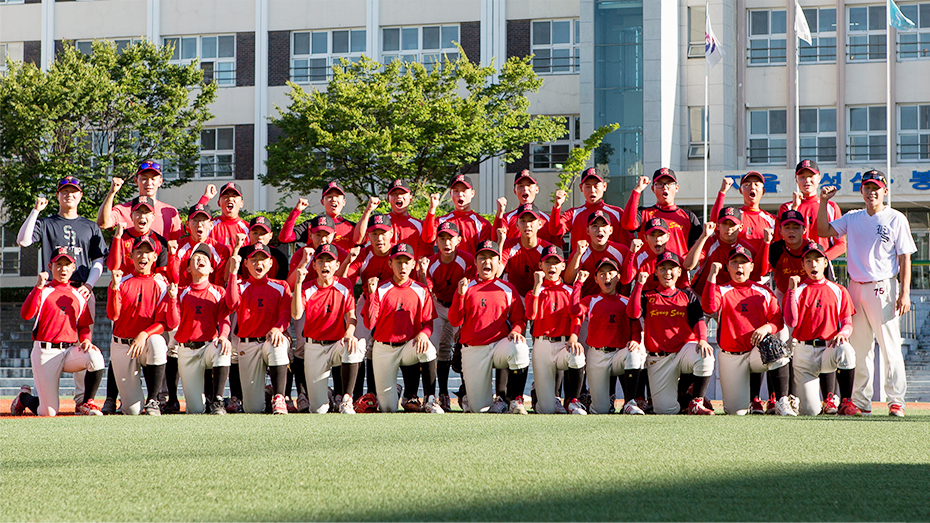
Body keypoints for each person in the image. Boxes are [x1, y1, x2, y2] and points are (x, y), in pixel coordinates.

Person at [817, 170, 915, 417]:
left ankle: (896, 401)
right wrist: (823, 202)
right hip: (855, 287)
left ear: (885, 191)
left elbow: (905, 257)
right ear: (861, 191)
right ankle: (861, 401)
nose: (872, 192)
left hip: (883, 286)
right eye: (867, 187)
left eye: (876, 187)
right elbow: (823, 231)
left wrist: (904, 292)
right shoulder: (853, 217)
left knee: (890, 347)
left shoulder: (895, 218)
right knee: (860, 349)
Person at [16, 175, 108, 406]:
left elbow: (98, 260)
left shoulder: (90, 226)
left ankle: (83, 401)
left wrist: (89, 285)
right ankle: (34, 395)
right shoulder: (48, 222)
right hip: (53, 292)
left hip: (81, 290)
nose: (69, 194)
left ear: (80, 196)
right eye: (64, 191)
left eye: (74, 191)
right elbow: (23, 240)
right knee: (48, 408)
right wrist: (36, 211)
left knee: (84, 343)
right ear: (58, 195)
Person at [11, 247, 105, 417]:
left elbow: (84, 325)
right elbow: (26, 314)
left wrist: (86, 339)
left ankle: (86, 403)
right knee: (48, 412)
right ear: (50, 266)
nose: (63, 269)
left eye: (67, 264)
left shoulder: (78, 294)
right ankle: (24, 397)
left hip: (69, 351)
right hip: (45, 351)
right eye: (58, 264)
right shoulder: (44, 290)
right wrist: (38, 287)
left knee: (95, 356)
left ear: (74, 267)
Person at [702, 245, 792, 416]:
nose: (739, 266)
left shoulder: (762, 292)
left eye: (744, 262)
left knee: (776, 349)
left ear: (751, 267)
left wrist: (767, 327)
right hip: (730, 356)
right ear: (727, 267)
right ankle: (749, 402)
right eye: (734, 262)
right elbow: (708, 306)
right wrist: (712, 276)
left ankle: (781, 401)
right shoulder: (722, 289)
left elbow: (778, 320)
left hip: (755, 353)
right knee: (736, 412)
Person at [627, 252, 715, 415]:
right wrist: (639, 285)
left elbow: (699, 320)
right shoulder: (648, 295)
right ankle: (685, 399)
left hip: (683, 352)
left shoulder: (687, 295)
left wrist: (702, 339)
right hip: (659, 359)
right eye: (663, 268)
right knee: (666, 410)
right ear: (655, 271)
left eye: (672, 268)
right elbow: (633, 314)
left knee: (705, 354)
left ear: (680, 272)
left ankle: (696, 401)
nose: (668, 272)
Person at [449, 240, 530, 414]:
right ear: (475, 262)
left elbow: (519, 320)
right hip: (473, 349)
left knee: (520, 347)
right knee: (481, 409)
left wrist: (516, 331)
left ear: (499, 262)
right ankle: (474, 398)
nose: (487, 262)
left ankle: (515, 399)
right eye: (482, 258)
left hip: (499, 346)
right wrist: (460, 296)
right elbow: (455, 321)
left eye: (492, 258)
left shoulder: (507, 289)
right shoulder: (466, 287)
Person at [784, 243, 861, 416]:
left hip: (828, 348)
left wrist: (843, 333)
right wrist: (790, 291)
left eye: (817, 260)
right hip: (804, 352)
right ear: (802, 264)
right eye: (808, 260)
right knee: (810, 411)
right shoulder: (798, 290)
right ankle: (804, 402)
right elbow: (791, 320)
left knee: (846, 350)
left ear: (825, 263)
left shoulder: (838, 290)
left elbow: (847, 323)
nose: (813, 264)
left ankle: (846, 401)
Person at [361, 243, 439, 413]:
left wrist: (424, 334)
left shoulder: (421, 289)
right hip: (384, 348)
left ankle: (430, 399)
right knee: (388, 408)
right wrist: (372, 295)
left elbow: (428, 324)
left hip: (408, 347)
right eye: (398, 261)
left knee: (429, 350)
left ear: (413, 265)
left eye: (406, 261)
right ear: (390, 264)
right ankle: (396, 391)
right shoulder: (381, 288)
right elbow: (369, 323)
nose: (402, 266)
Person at [106, 235, 178, 415]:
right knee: (132, 410)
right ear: (131, 257)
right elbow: (113, 315)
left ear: (155, 257)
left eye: (148, 252)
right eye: (138, 252)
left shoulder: (161, 284)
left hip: (145, 342)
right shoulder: (121, 281)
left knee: (157, 342)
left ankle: (153, 399)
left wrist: (143, 334)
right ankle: (127, 401)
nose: (143, 256)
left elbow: (164, 324)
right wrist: (114, 289)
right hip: (123, 345)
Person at [165, 244, 240, 414]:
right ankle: (204, 402)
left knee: (223, 346)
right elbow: (172, 323)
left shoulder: (218, 291)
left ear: (212, 269)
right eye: (196, 259)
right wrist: (171, 299)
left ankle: (218, 400)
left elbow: (225, 318)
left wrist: (224, 335)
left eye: (205, 259)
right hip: (186, 350)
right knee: (195, 410)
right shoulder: (182, 292)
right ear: (189, 269)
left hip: (208, 346)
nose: (200, 260)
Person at [292, 244, 365, 414]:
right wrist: (297, 283)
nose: (325, 265)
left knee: (354, 346)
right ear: (314, 265)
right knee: (319, 410)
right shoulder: (306, 287)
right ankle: (328, 395)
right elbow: (296, 315)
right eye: (321, 261)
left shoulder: (345, 285)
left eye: (329, 261)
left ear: (337, 265)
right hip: (314, 347)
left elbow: (351, 316)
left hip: (336, 344)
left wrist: (349, 333)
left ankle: (346, 399)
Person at [571, 258, 645, 415]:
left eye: (611, 273)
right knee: (600, 410)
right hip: (597, 355)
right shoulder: (591, 300)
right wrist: (578, 284)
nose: (607, 277)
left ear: (618, 276)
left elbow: (636, 328)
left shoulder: (626, 302)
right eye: (602, 274)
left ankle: (629, 402)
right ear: (596, 279)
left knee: (634, 353)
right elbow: (574, 310)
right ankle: (601, 400)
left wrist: (635, 341)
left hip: (619, 353)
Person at [419, 222, 475, 412]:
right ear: (437, 241)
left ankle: (466, 393)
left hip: (459, 306)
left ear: (458, 240)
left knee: (461, 349)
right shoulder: (432, 261)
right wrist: (422, 272)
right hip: (438, 304)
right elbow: (427, 291)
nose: (446, 243)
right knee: (435, 350)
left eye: (450, 238)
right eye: (442, 238)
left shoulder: (467, 260)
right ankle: (439, 394)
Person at [526, 246, 586, 414]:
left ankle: (572, 400)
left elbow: (577, 316)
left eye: (556, 262)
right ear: (540, 265)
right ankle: (541, 396)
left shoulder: (569, 291)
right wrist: (537, 285)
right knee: (546, 409)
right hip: (542, 345)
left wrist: (574, 336)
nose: (551, 266)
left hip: (562, 345)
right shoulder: (534, 292)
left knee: (577, 354)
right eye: (548, 262)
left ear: (563, 266)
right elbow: (530, 315)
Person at [235, 243, 293, 414]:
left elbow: (285, 314)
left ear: (270, 263)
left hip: (270, 339)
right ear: (245, 263)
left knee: (278, 343)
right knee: (252, 408)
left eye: (262, 259)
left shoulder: (281, 286)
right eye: (253, 260)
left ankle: (279, 397)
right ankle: (266, 397)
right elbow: (231, 303)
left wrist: (277, 329)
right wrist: (232, 273)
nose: (258, 264)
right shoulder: (240, 286)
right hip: (248, 344)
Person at [97, 160, 201, 242]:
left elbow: (177, 245)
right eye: (144, 178)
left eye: (153, 178)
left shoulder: (170, 212)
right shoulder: (123, 209)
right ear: (136, 180)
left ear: (160, 182)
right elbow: (102, 224)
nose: (149, 183)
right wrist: (111, 193)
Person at [686, 208, 770, 296]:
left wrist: (766, 242)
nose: (728, 228)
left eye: (733, 224)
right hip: (702, 295)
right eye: (725, 223)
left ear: (741, 227)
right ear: (718, 226)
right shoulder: (709, 243)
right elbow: (689, 265)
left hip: (732, 298)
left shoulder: (747, 249)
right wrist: (703, 236)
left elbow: (756, 276)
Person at [774, 159, 847, 260]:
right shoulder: (787, 208)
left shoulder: (831, 207)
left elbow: (841, 244)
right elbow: (780, 241)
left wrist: (820, 260)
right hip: (794, 265)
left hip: (820, 269)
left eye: (811, 176)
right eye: (802, 177)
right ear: (796, 179)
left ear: (819, 178)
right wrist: (794, 208)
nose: (807, 181)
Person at [621, 168, 702, 255]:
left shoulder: (688, 216)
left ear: (676, 188)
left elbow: (699, 249)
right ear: (653, 189)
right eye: (660, 184)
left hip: (677, 267)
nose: (665, 187)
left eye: (669, 183)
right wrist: (637, 191)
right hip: (648, 268)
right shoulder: (644, 213)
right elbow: (628, 224)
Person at [353, 180, 440, 259]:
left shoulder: (419, 225)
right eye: (394, 194)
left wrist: (432, 209)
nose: (398, 196)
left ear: (410, 198)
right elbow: (358, 240)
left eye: (402, 193)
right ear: (388, 198)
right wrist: (367, 211)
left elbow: (425, 251)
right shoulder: (380, 221)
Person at [549, 168, 630, 247]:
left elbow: (625, 245)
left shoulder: (617, 213)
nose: (592, 190)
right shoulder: (573, 214)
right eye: (588, 186)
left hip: (609, 260)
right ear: (581, 188)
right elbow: (555, 231)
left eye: (596, 186)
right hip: (581, 260)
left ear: (604, 186)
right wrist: (557, 207)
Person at [563, 210, 631, 299]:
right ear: (587, 230)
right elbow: (568, 280)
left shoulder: (622, 251)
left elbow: (626, 283)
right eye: (595, 226)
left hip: (614, 305)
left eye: (603, 226)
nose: (599, 229)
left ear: (611, 230)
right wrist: (578, 255)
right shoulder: (580, 251)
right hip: (587, 304)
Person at [710, 172, 776, 258]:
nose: (752, 187)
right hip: (737, 268)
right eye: (748, 184)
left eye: (756, 184)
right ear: (740, 190)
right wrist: (722, 192)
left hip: (763, 270)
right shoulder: (734, 217)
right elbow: (714, 225)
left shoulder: (772, 220)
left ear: (763, 191)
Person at [279, 182, 356, 252]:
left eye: (337, 196)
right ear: (322, 202)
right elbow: (285, 238)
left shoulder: (352, 227)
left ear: (344, 202)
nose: (333, 199)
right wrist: (296, 211)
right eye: (329, 196)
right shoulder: (312, 224)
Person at [427, 174, 491, 258]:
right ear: (451, 194)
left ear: (472, 193)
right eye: (456, 191)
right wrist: (432, 209)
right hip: (446, 269)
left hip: (470, 270)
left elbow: (484, 254)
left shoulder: (482, 224)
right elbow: (428, 238)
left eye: (464, 190)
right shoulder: (441, 221)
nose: (460, 194)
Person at [500, 204, 554, 297]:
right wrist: (500, 242)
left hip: (541, 296)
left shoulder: (547, 249)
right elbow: (497, 272)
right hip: (513, 296)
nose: (527, 225)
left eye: (531, 220)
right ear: (517, 225)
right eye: (523, 221)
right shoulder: (508, 245)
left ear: (540, 224)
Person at [493, 170, 556, 243]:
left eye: (529, 185)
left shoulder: (547, 219)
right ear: (514, 191)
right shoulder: (507, 219)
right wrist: (499, 214)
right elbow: (495, 243)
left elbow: (556, 248)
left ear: (537, 189)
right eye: (520, 186)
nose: (525, 189)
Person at [209, 182, 250, 251]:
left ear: (241, 203)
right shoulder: (210, 225)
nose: (230, 199)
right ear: (219, 203)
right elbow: (194, 223)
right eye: (226, 196)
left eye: (234, 196)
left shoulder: (248, 228)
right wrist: (206, 197)